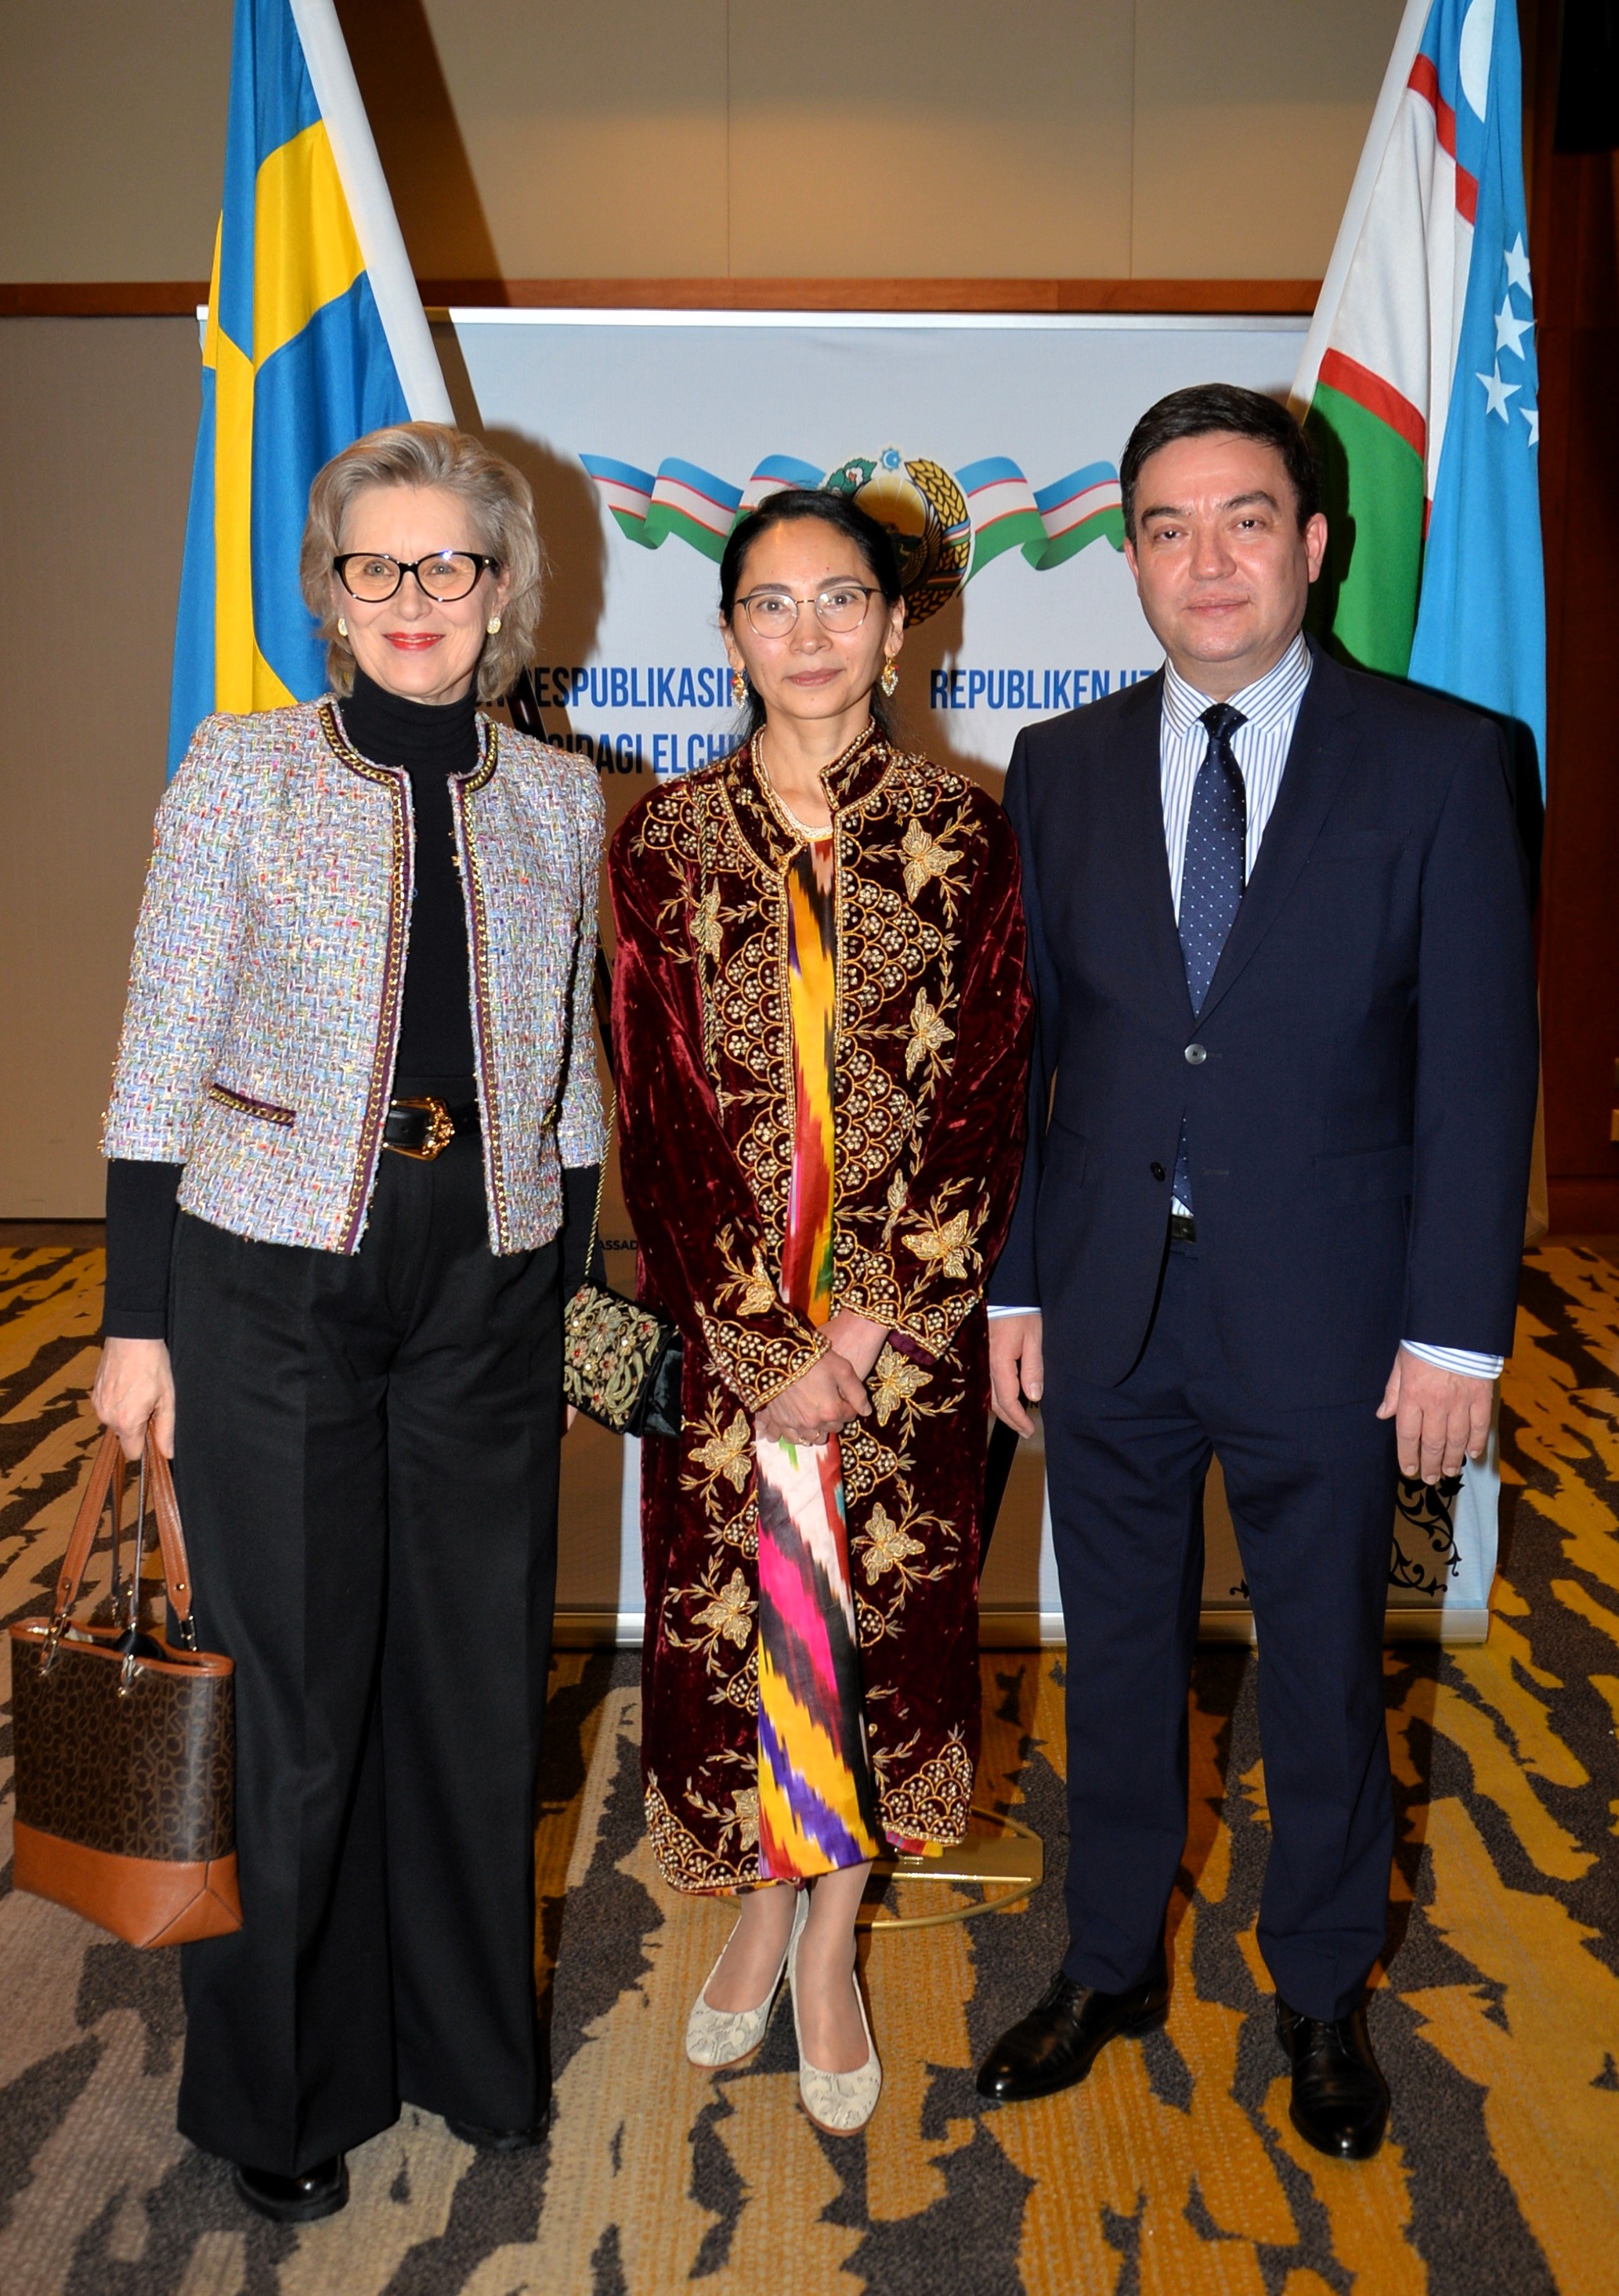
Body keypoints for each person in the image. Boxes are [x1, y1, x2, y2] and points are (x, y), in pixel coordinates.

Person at [976, 384, 1538, 2161]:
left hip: (1337, 1320)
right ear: (1131, 556)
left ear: (1313, 543)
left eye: (1242, 520)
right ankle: (1107, 1962)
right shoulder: (1058, 766)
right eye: (1166, 525)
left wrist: (1456, 1335)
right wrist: (1012, 1288)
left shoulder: (1445, 760)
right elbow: (1029, 1057)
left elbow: (1477, 1073)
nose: (1205, 560)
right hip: (1105, 1309)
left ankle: (1318, 1989)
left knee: (1322, 1671)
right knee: (1114, 1659)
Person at [92, 422, 605, 2222]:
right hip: (268, 1282)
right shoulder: (241, 768)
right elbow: (158, 1052)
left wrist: (567, 1305)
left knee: (472, 1684)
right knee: (296, 1699)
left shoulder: (560, 794)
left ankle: (466, 2050)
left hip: (487, 1289)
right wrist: (135, 1322)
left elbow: (574, 1078)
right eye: (372, 565)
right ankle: (286, 2089)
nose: (410, 596)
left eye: (446, 563)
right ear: (328, 592)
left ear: (500, 590)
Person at [609, 489, 1032, 2135]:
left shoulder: (969, 835)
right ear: (728, 634)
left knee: (873, 1632)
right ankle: (760, 1902)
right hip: (729, 1335)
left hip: (896, 1347)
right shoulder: (660, 842)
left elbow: (986, 1097)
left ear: (896, 625)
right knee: (743, 1623)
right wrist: (763, 1343)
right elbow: (655, 1114)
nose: (807, 633)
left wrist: (855, 1335)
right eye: (770, 604)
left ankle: (835, 1932)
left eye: (840, 599)